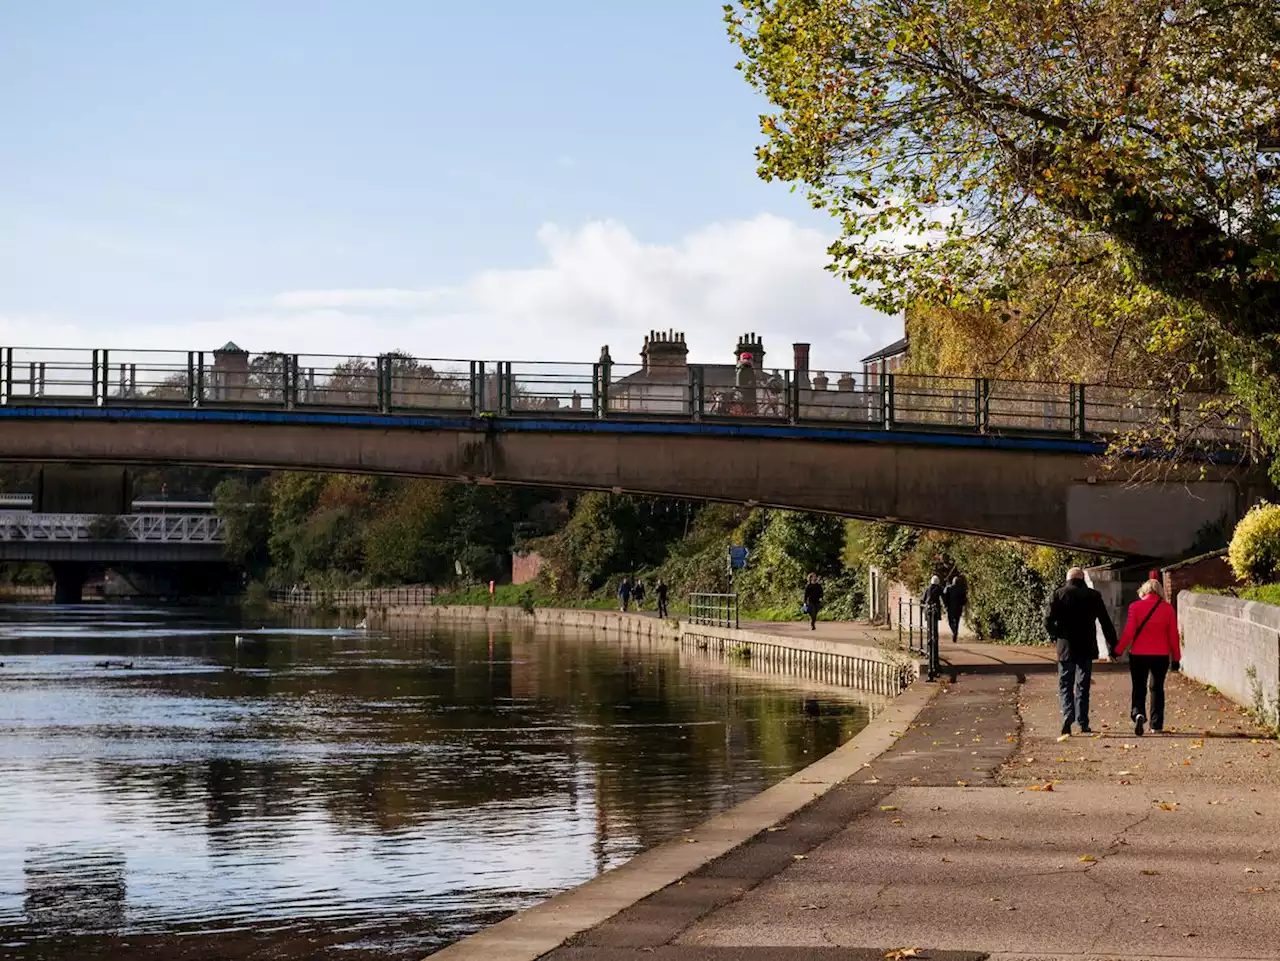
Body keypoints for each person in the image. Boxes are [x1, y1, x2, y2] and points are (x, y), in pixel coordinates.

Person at [1046, 567, 1118, 736]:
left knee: (1065, 682)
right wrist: (1113, 647)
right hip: (1086, 646)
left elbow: (1047, 620)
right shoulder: (1093, 596)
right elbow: (1105, 622)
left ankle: (1067, 714)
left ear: (1068, 578)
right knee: (1082, 684)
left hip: (1065, 646)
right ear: (1083, 578)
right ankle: (1083, 722)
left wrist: (1057, 635)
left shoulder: (1058, 594)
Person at [1114, 577, 1181, 736]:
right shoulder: (1168, 609)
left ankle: (1138, 713)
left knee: (1139, 687)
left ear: (1144, 591)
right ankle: (1156, 725)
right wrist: (1176, 658)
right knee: (1157, 688)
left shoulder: (1135, 607)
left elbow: (1129, 632)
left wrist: (1118, 650)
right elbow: (1173, 636)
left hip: (1138, 654)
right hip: (1161, 655)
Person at [921, 575, 945, 654]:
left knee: (929, 627)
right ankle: (933, 645)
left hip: (927, 609)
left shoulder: (927, 588)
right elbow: (943, 596)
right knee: (934, 629)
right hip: (934, 610)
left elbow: (923, 599)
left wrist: (922, 609)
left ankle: (929, 643)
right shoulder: (938, 589)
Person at [943, 573, 968, 643]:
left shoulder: (948, 588)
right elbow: (964, 599)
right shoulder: (962, 589)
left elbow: (944, 597)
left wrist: (946, 605)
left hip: (950, 608)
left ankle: (954, 632)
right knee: (957, 622)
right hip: (958, 608)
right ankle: (955, 632)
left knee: (950, 621)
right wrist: (962, 604)